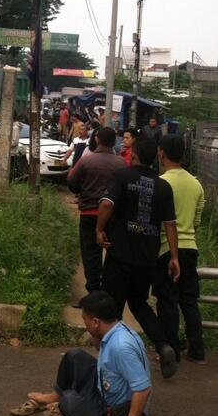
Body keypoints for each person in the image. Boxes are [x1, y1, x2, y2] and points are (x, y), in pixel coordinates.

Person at [96, 135, 180, 378]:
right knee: (140, 304)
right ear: (155, 157)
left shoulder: (122, 176)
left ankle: (112, 360)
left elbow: (106, 205)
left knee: (112, 307)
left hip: (119, 253)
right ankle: (163, 346)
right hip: (147, 258)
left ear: (133, 155)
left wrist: (100, 229)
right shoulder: (164, 187)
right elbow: (170, 224)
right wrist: (174, 257)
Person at [10, 291, 151, 416]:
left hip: (116, 411)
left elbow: (143, 389)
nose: (84, 324)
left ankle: (63, 402)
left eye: (85, 319)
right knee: (74, 355)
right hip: (105, 386)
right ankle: (55, 396)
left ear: (96, 322)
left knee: (69, 400)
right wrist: (95, 334)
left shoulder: (121, 347)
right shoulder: (115, 329)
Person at [153, 134, 206, 365]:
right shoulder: (196, 184)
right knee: (189, 300)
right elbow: (196, 222)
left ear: (162, 153)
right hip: (190, 249)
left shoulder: (162, 182)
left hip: (167, 249)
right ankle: (197, 351)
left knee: (167, 301)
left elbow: (156, 221)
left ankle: (171, 351)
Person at [67, 128, 127, 293]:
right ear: (114, 141)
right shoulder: (122, 163)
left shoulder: (87, 160)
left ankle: (94, 292)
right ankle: (109, 292)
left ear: (97, 139)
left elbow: (71, 182)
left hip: (89, 214)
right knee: (113, 254)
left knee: (91, 255)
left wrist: (83, 189)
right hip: (113, 216)